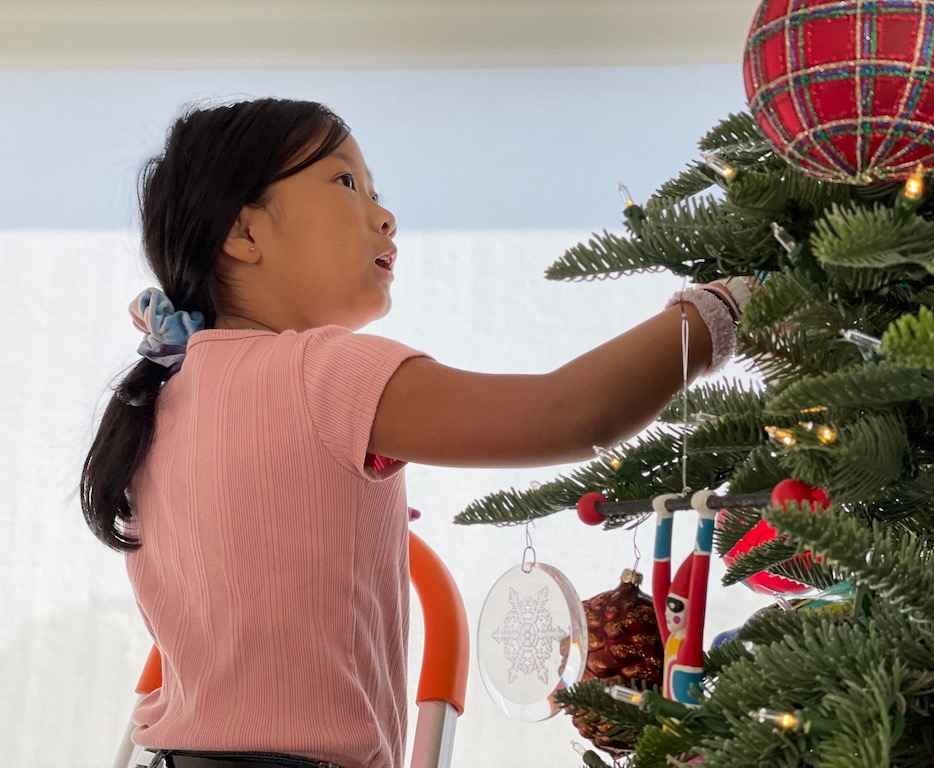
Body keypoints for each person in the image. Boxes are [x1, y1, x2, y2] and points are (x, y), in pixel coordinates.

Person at [80, 98, 755, 768]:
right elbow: (569, 413)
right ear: (244, 233)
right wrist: (723, 310)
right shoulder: (322, 368)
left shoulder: (165, 396)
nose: (384, 214)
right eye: (345, 182)